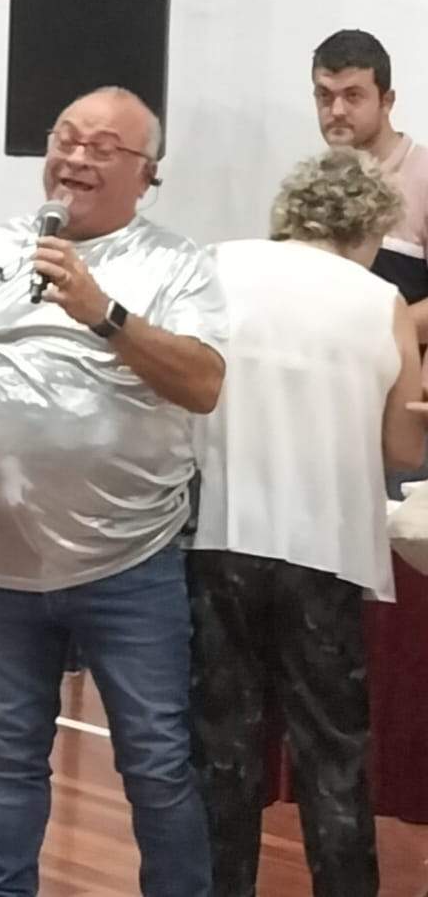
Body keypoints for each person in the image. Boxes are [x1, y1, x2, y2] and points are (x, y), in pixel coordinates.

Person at [0, 85, 227, 897]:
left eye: (101, 147)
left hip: (128, 563)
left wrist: (104, 312)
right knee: (11, 757)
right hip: (4, 563)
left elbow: (203, 384)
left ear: (145, 173)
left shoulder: (179, 263)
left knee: (157, 765)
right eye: (65, 138)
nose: (75, 158)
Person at [189, 148, 426, 896]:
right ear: (369, 228)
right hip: (326, 552)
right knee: (334, 757)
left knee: (222, 752)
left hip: (220, 537)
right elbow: (400, 445)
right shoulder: (378, 301)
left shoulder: (216, 266)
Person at [312, 29, 428, 316]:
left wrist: (373, 335)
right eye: (325, 96)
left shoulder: (422, 175)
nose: (336, 110)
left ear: (386, 101)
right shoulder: (313, 183)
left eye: (353, 96)